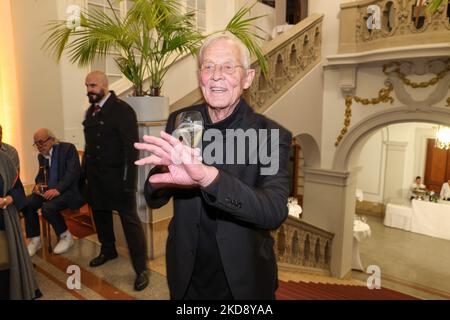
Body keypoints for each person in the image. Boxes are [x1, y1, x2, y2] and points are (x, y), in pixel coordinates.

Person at [136, 33, 292, 299]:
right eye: (208, 66)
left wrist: (209, 178)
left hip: (243, 280)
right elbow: (153, 199)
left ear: (248, 78)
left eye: (228, 67)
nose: (216, 75)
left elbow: (274, 211)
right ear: (200, 77)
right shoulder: (182, 120)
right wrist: (163, 173)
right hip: (187, 274)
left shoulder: (269, 135)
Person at [82, 70, 149, 291]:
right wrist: (85, 178)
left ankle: (141, 268)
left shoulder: (122, 110)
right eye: (87, 86)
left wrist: (129, 183)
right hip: (96, 179)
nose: (89, 90)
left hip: (118, 180)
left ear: (104, 84)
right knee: (100, 216)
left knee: (130, 223)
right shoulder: (90, 112)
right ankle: (108, 249)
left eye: (92, 86)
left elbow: (132, 151)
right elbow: (90, 150)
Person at [23, 128, 83, 256]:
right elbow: (40, 175)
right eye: (36, 144)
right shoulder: (41, 156)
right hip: (50, 191)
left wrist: (58, 189)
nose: (39, 146)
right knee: (27, 202)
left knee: (47, 208)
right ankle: (35, 239)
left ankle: (66, 236)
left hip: (69, 191)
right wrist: (38, 185)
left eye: (41, 142)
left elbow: (72, 174)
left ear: (51, 139)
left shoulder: (68, 149)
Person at [0, 152, 41, 299]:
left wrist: (8, 198)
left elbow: (18, 190)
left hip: (3, 222)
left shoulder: (5, 160)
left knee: (4, 264)